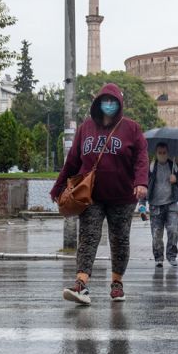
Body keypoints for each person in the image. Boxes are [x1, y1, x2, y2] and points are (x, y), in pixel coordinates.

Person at [50, 83, 149, 305]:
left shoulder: (131, 128)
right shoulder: (85, 128)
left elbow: (142, 157)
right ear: (97, 104)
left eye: (113, 101)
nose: (109, 105)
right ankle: (81, 284)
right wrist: (57, 188)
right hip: (91, 195)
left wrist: (141, 182)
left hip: (123, 196)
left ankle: (117, 284)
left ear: (120, 104)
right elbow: (73, 161)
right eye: (105, 101)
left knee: (120, 239)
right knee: (88, 237)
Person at [139, 143, 178, 268]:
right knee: (156, 235)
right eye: (159, 153)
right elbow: (144, 186)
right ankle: (158, 258)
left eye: (164, 152)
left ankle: (171, 256)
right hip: (155, 206)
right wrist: (142, 205)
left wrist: (176, 179)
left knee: (174, 230)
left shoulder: (174, 166)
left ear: (168, 153)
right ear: (156, 153)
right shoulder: (151, 167)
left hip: (171, 205)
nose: (162, 155)